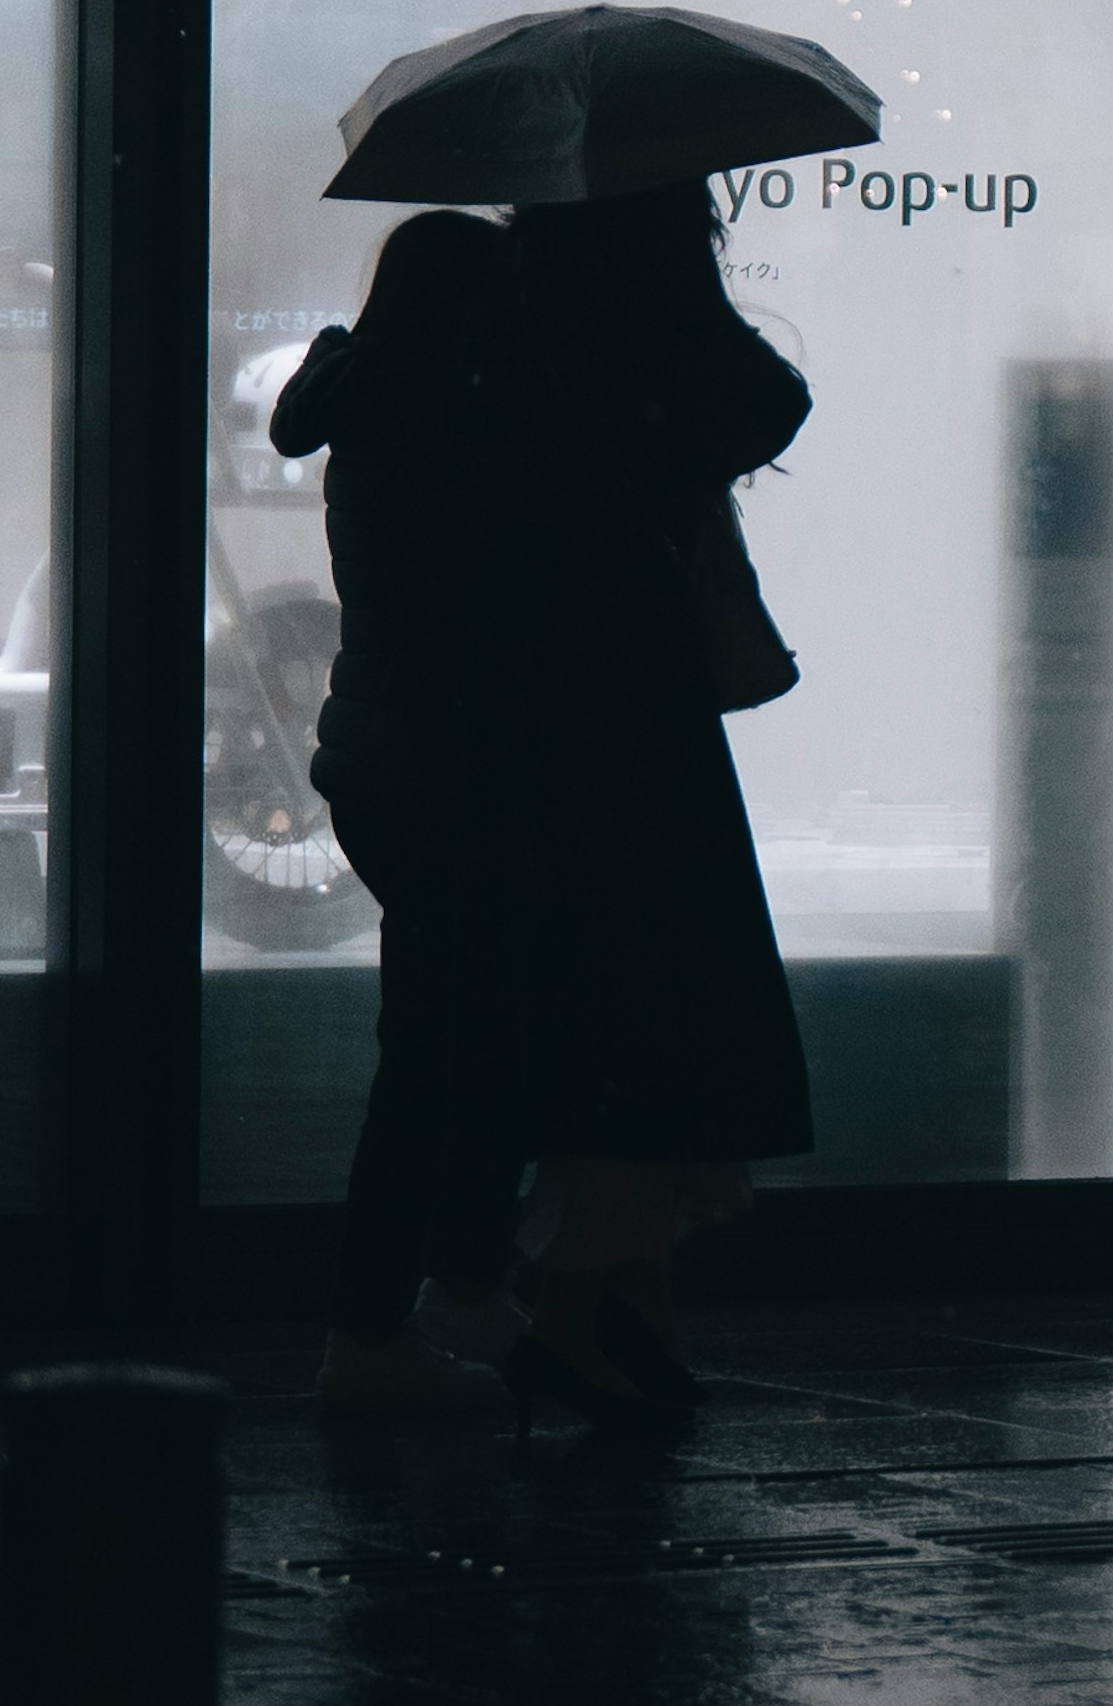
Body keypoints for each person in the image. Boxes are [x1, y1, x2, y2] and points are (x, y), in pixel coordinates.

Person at [490, 179, 814, 1423]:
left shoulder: (517, 315)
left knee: (607, 1026)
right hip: (638, 715)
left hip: (535, 707)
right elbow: (768, 401)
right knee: (661, 1021)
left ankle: (622, 1313)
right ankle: (584, 1319)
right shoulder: (654, 340)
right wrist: (694, 282)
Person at [270, 212, 527, 1417]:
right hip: (443, 764)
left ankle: (445, 1289)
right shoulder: (447, 428)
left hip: (378, 758)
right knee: (442, 1057)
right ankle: (382, 1319)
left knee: (444, 1041)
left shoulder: (366, 403)